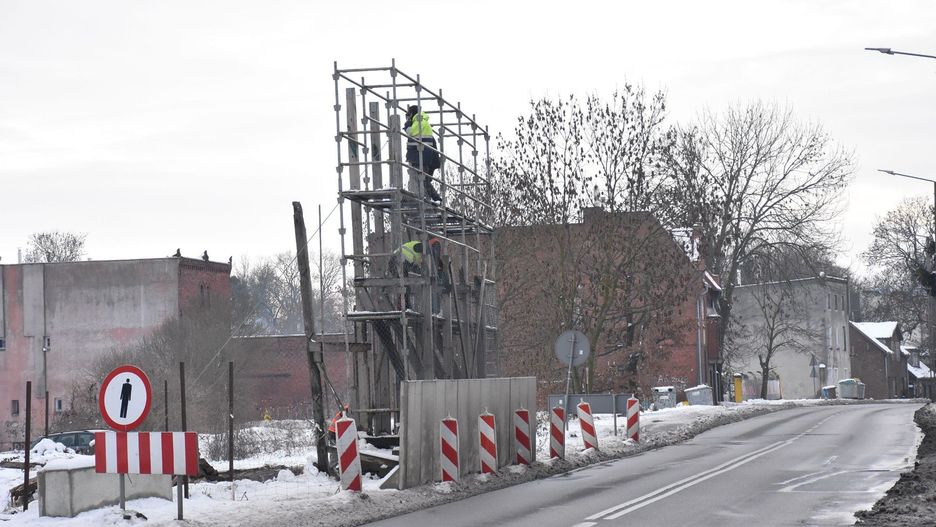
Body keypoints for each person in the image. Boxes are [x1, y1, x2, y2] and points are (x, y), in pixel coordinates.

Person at [404, 105, 443, 202]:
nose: (407, 117)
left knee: (422, 180)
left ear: (412, 114)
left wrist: (407, 124)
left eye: (408, 114)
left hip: (420, 155)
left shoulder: (419, 120)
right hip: (422, 156)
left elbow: (410, 132)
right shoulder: (422, 121)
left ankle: (435, 198)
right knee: (422, 180)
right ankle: (430, 198)